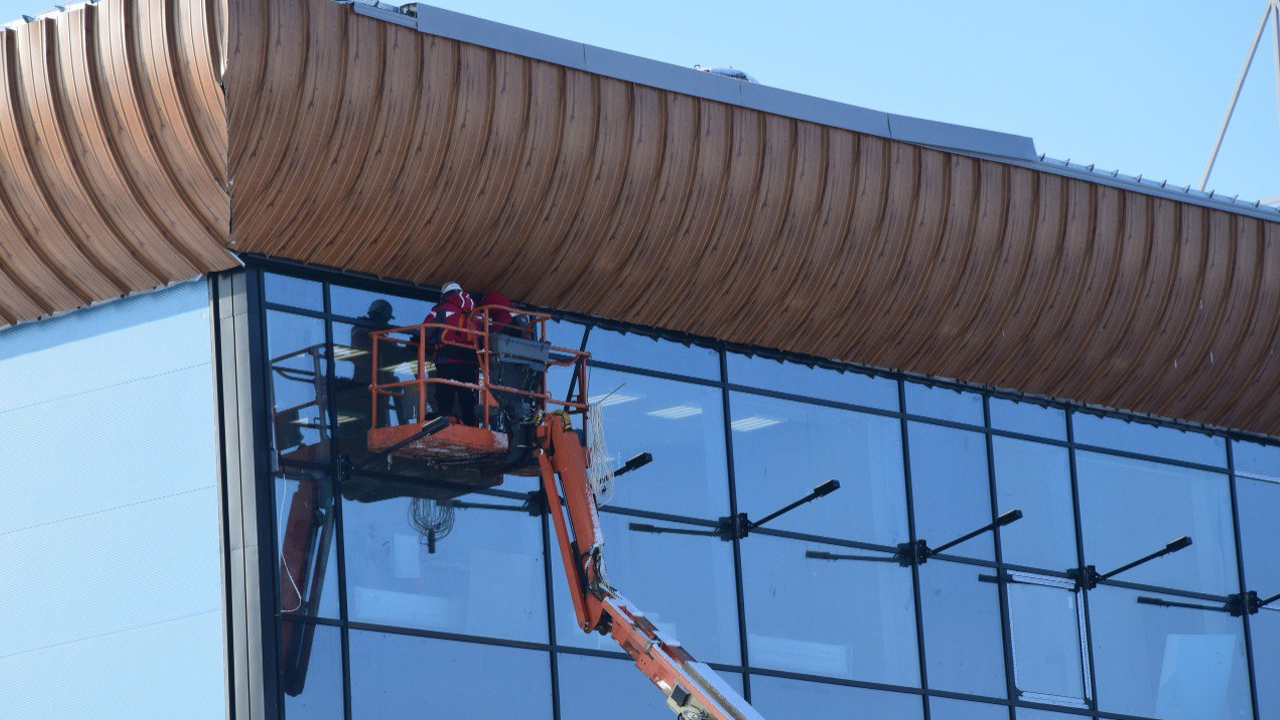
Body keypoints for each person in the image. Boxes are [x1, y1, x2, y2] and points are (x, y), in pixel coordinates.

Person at [350, 299, 414, 427]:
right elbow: (390, 353)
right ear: (379, 316)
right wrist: (409, 350)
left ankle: (402, 426)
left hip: (376, 385)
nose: (386, 323)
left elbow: (391, 352)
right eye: (385, 319)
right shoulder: (364, 333)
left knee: (379, 417)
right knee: (374, 421)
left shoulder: (372, 334)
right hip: (368, 385)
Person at [424, 282, 480, 426]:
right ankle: (470, 424)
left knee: (445, 393)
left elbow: (425, 332)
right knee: (467, 395)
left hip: (447, 359)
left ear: (444, 295)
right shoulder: (478, 312)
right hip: (471, 362)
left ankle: (444, 421)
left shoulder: (441, 309)